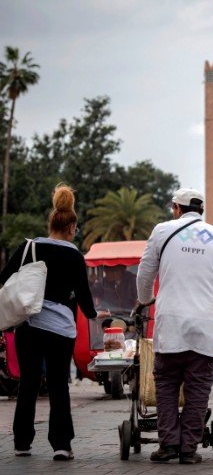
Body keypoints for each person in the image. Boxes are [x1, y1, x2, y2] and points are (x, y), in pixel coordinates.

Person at [0, 184, 108, 461]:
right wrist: (97, 317)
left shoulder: (29, 247)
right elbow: (84, 299)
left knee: (29, 383)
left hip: (30, 326)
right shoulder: (74, 255)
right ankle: (61, 445)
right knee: (59, 385)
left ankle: (22, 443)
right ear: (71, 226)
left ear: (51, 222)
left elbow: (4, 279)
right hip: (61, 330)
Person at [137, 188, 213, 465]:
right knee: (198, 388)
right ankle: (189, 449)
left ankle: (168, 445)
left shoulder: (162, 230)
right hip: (205, 326)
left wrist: (145, 300)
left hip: (171, 324)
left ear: (176, 208)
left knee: (167, 384)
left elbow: (145, 273)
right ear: (200, 210)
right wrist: (209, 304)